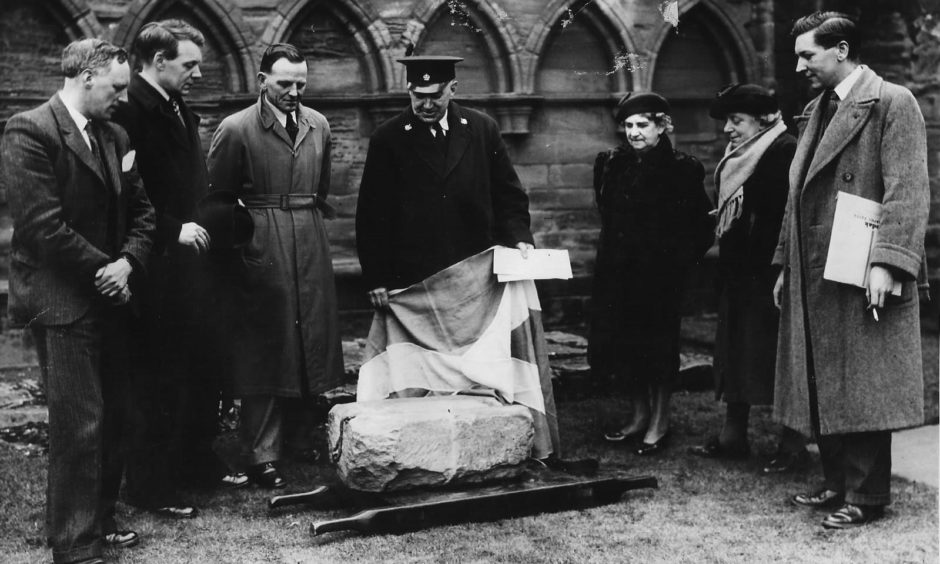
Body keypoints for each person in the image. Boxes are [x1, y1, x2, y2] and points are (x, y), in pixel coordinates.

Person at [355, 55, 561, 459]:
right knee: (424, 373)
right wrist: (376, 277)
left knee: (478, 368)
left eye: (434, 96)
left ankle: (483, 449)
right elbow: (372, 213)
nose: (425, 104)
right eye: (417, 95)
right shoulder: (389, 137)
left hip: (475, 277)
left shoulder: (481, 129)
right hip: (417, 280)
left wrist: (520, 239)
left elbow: (509, 195)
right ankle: (420, 454)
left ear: (453, 89)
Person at [1, 39, 155, 564]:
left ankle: (101, 519)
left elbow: (144, 213)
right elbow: (42, 227)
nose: (123, 98)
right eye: (116, 88)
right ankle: (74, 543)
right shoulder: (30, 130)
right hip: (61, 299)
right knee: (78, 421)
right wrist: (105, 269)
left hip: (112, 292)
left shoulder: (116, 134)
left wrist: (128, 263)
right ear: (86, 77)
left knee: (115, 416)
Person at [774, 12, 929, 529]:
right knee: (824, 378)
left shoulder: (892, 102)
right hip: (816, 265)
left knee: (864, 382)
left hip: (863, 265)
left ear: (841, 50)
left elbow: (908, 191)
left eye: (807, 55)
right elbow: (795, 197)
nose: (799, 66)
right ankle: (837, 480)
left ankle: (866, 496)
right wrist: (784, 264)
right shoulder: (816, 109)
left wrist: (889, 263)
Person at [113, 19, 247, 518]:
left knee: (193, 368)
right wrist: (173, 230)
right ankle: (149, 486)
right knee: (153, 377)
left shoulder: (172, 105)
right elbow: (126, 195)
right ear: (159, 61)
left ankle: (192, 466)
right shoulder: (130, 112)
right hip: (155, 264)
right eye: (189, 64)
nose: (196, 73)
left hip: (189, 264)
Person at [206, 43, 344, 489]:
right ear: (262, 80)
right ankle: (261, 453)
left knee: (310, 342)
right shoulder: (236, 128)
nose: (294, 91)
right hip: (261, 243)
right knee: (265, 345)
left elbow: (321, 187)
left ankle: (302, 438)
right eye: (284, 83)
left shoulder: (318, 125)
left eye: (301, 83)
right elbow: (217, 202)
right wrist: (241, 252)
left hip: (309, 236)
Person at [688, 84, 808, 472]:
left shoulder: (785, 150)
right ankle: (732, 436)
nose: (727, 129)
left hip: (769, 274)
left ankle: (793, 445)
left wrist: (778, 266)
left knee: (776, 357)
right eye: (727, 120)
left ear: (765, 120)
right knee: (735, 352)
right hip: (739, 273)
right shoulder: (739, 157)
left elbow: (787, 215)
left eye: (736, 120)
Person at [589, 92, 713, 455]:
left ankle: (660, 421)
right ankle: (639, 415)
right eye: (628, 125)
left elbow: (702, 227)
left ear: (662, 126)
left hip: (658, 282)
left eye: (642, 125)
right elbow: (609, 218)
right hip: (618, 276)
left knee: (657, 350)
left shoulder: (682, 168)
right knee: (625, 347)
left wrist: (676, 264)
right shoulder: (611, 165)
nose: (634, 132)